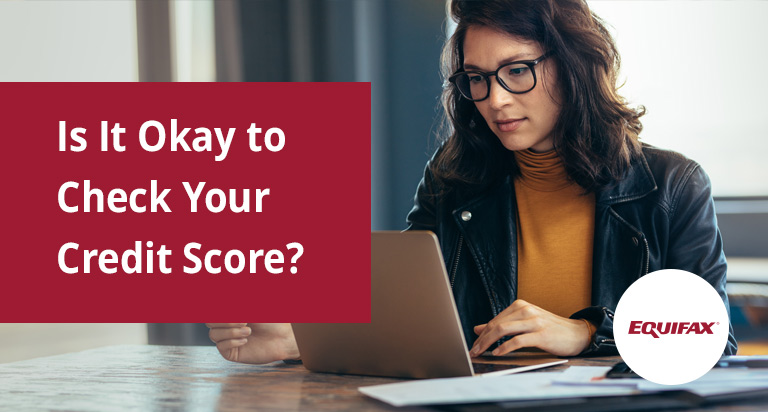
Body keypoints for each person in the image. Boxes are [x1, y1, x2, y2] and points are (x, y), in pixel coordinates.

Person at [207, 0, 738, 363]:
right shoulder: (453, 179)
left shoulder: (671, 185)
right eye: (477, 79)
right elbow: (410, 322)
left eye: (517, 71)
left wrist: (587, 334)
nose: (496, 99)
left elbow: (713, 343)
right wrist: (298, 337)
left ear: (573, 65)